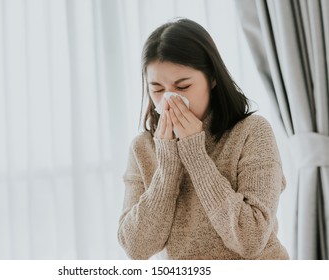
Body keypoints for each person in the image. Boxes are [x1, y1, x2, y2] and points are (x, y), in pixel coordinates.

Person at [117, 18, 289, 260]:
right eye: (157, 89)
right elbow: (136, 247)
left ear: (212, 78)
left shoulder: (252, 132)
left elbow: (251, 239)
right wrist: (167, 164)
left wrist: (195, 154)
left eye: (183, 86)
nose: (170, 100)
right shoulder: (143, 148)